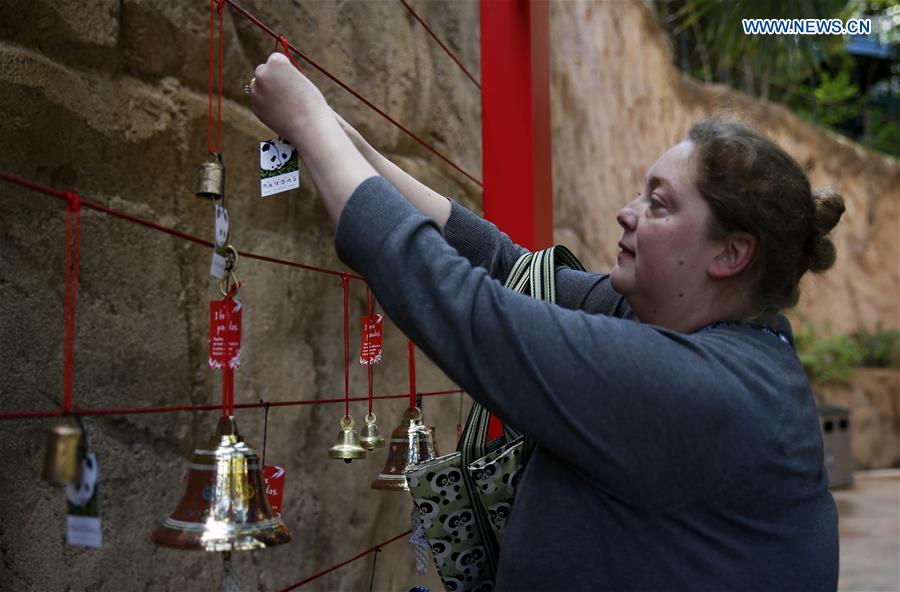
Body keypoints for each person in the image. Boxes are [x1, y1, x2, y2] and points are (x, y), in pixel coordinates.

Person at [250, 53, 843, 591]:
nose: (626, 212)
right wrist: (357, 153)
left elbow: (469, 313)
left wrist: (308, 124)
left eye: (658, 203)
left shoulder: (701, 391)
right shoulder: (703, 332)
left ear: (730, 254)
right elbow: (506, 268)